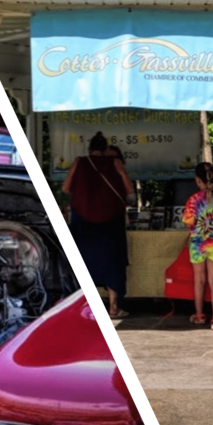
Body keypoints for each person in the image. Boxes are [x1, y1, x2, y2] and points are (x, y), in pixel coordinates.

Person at [62, 132, 135, 318]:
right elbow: (129, 189)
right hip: (111, 222)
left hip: (84, 223)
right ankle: (113, 307)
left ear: (89, 148)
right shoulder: (115, 163)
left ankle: (86, 306)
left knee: (83, 263)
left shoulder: (79, 162)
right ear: (104, 150)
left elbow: (65, 188)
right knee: (112, 264)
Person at [182, 162, 213, 330]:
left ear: (197, 181)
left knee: (199, 280)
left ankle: (199, 315)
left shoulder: (193, 199)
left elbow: (189, 222)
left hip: (197, 243)